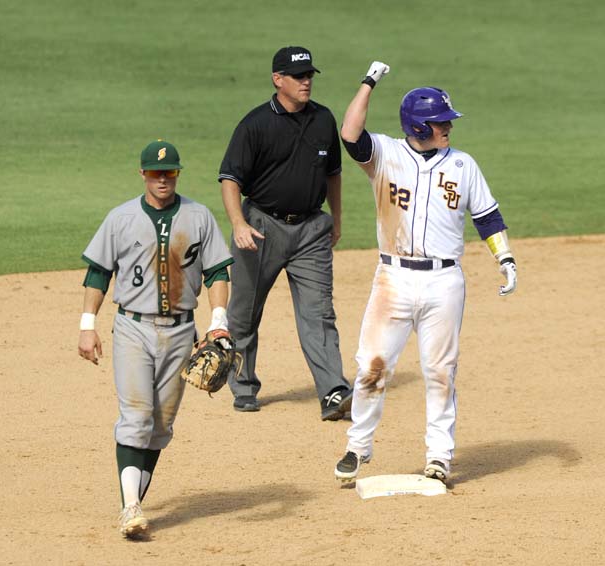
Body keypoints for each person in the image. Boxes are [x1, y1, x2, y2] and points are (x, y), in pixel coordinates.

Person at [334, 62, 517, 485]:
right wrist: (368, 82)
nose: (448, 128)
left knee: (440, 371)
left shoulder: (463, 166)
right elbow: (350, 134)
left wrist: (504, 257)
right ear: (418, 127)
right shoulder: (385, 155)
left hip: (444, 281)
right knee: (371, 367)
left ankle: (439, 456)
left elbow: (488, 217)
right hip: (392, 279)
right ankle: (358, 446)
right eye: (441, 123)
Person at [77, 140, 234, 539]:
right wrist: (86, 323)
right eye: (155, 172)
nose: (162, 178)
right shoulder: (121, 218)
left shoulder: (199, 216)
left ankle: (134, 501)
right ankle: (130, 507)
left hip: (182, 331)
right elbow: (98, 272)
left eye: (169, 172)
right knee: (136, 415)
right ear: (142, 174)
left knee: (161, 425)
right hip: (133, 328)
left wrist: (218, 321)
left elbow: (217, 272)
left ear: (177, 174)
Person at [218, 46, 352, 420]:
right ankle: (243, 387)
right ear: (278, 80)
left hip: (311, 230)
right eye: (298, 76)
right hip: (261, 227)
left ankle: (333, 391)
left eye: (309, 74)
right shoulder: (255, 124)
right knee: (244, 314)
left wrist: (336, 218)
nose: (306, 81)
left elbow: (333, 175)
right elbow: (230, 180)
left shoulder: (324, 120)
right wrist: (239, 224)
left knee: (319, 314)